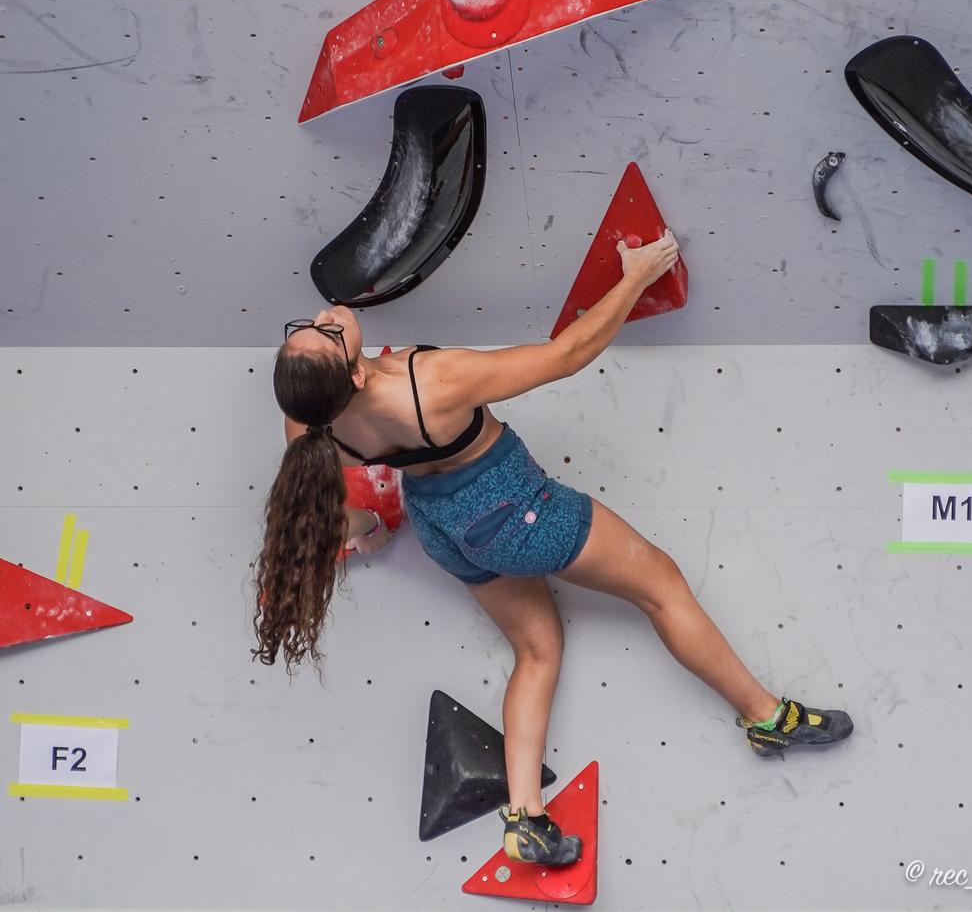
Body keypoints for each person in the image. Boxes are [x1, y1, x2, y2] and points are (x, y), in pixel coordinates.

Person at [253, 231, 852, 867]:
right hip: (516, 513)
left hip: (443, 531)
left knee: (537, 652)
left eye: (309, 326)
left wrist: (367, 524)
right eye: (328, 333)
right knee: (662, 585)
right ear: (352, 371)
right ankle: (767, 718)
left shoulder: (310, 419)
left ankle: (525, 818)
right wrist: (637, 276)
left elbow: (329, 508)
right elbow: (566, 355)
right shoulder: (433, 382)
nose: (323, 316)